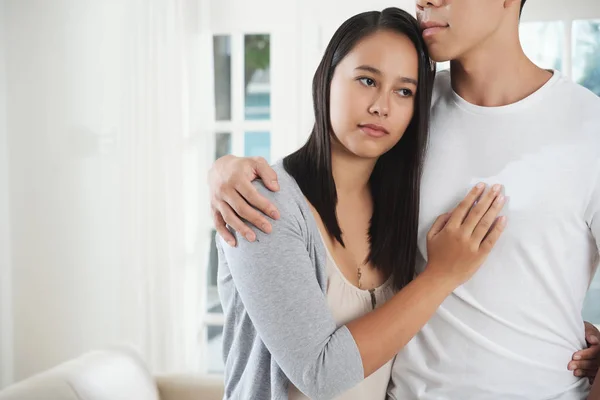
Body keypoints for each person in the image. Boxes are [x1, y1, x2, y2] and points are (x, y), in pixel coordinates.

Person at [209, 0, 600, 398]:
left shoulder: (588, 127)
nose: (384, 103)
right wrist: (225, 170)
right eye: (368, 82)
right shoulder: (412, 114)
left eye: (401, 91)